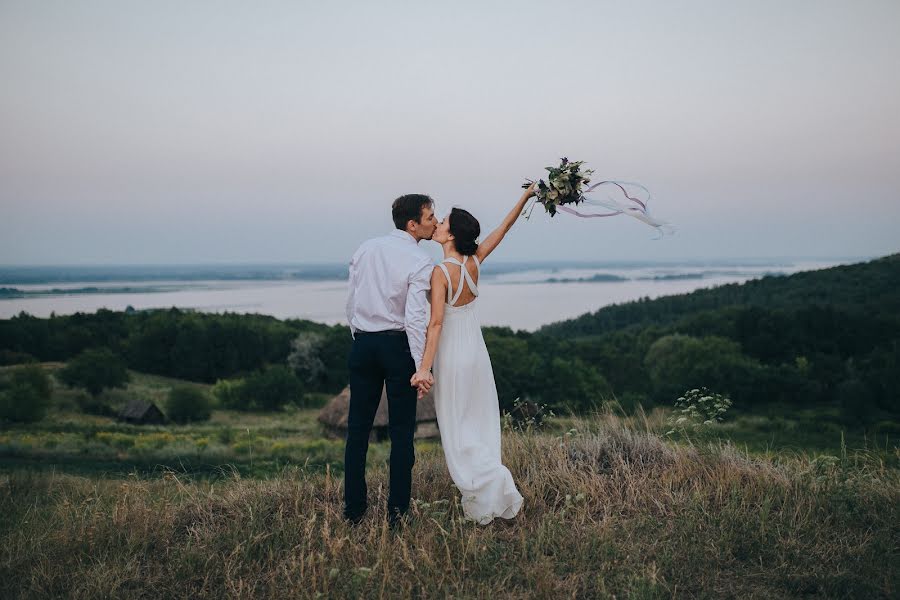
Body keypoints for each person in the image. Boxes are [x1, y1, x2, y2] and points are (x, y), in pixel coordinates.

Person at [409, 183, 536, 524]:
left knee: (458, 427)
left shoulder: (440, 273)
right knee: (478, 424)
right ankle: (489, 491)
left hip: (452, 356)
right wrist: (524, 197)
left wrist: (424, 369)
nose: (437, 225)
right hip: (477, 355)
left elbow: (435, 325)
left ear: (451, 236)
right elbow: (503, 229)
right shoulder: (474, 261)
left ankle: (486, 488)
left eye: (443, 222)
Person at [344, 194, 437, 526]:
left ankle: (353, 511)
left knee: (357, 430)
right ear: (412, 223)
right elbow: (415, 318)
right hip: (398, 347)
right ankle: (398, 514)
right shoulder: (419, 261)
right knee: (401, 433)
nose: (435, 222)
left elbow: (352, 301)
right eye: (430, 217)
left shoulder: (366, 248)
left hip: (364, 344)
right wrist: (420, 367)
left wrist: (360, 337)